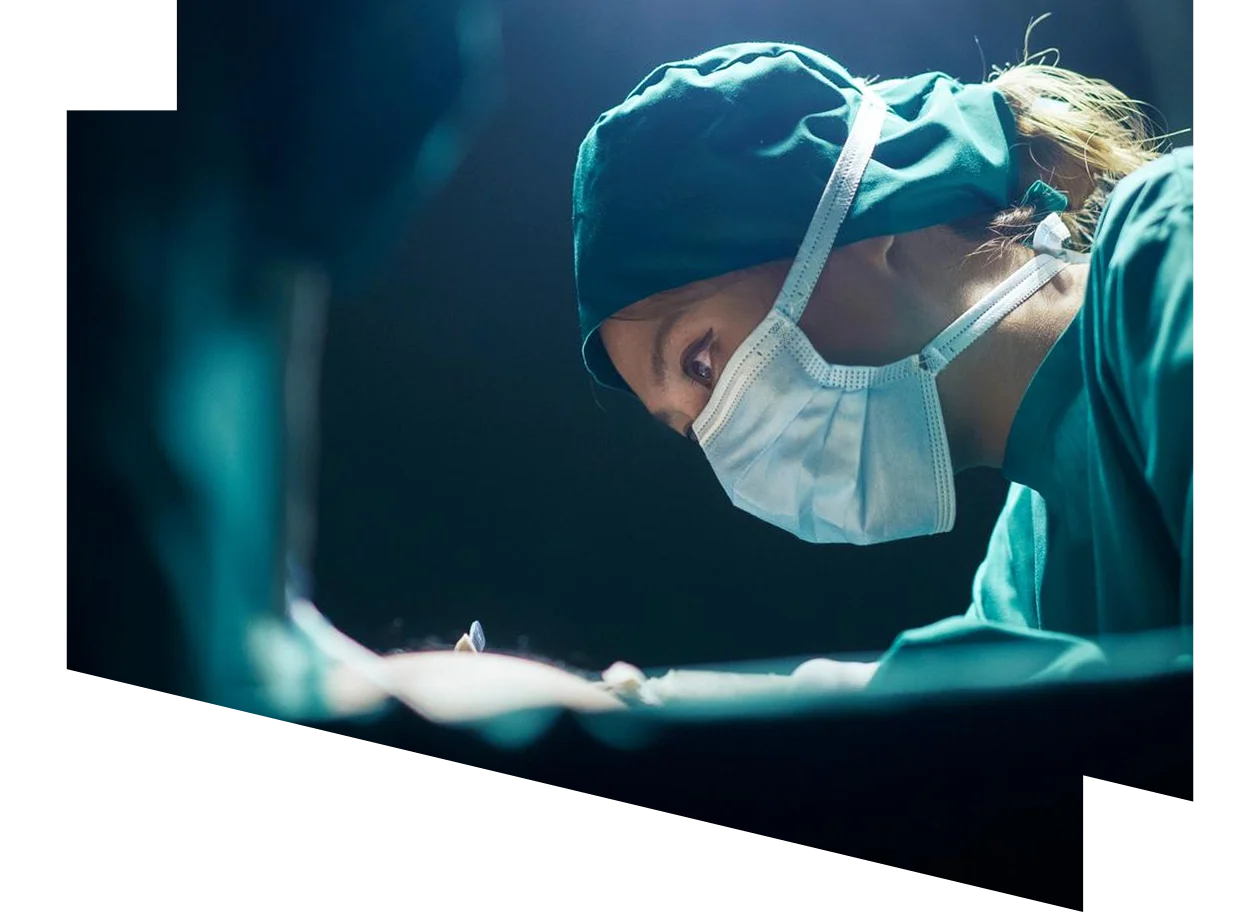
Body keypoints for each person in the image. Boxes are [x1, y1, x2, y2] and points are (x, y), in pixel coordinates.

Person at [570, 39, 1197, 693]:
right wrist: (639, 709)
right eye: (693, 430)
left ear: (860, 219)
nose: (727, 440)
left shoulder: (1169, 246)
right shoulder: (1025, 571)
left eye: (700, 363)